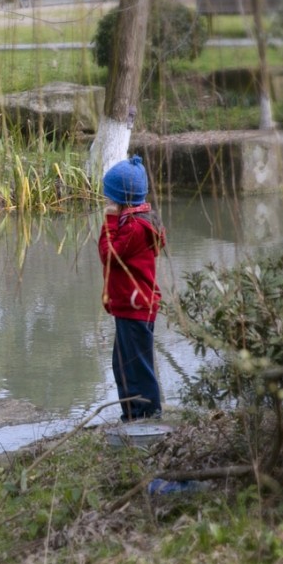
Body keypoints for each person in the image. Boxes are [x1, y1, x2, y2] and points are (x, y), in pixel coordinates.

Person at [98, 154, 167, 420]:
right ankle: (132, 415)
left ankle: (148, 415)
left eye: (109, 198)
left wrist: (110, 221)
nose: (107, 202)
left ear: (121, 199)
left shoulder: (136, 227)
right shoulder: (137, 222)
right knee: (123, 366)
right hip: (132, 305)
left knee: (137, 366)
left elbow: (109, 254)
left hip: (135, 306)